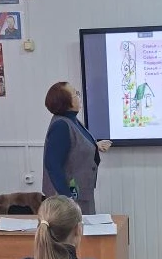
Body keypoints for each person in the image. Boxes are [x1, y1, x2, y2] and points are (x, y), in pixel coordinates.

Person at [41, 81, 111, 215]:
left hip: (81, 193)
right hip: (68, 198)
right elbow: (53, 165)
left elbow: (74, 145)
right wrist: (68, 199)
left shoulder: (72, 120)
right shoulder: (61, 126)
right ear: (66, 102)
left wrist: (95, 146)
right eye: (75, 94)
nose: (79, 96)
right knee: (77, 227)